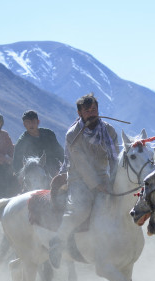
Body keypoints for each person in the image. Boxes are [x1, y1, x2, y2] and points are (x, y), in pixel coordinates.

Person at [49, 93, 118, 269]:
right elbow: (81, 165)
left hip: (103, 176)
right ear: (80, 113)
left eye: (94, 109)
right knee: (79, 209)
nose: (92, 113)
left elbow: (115, 158)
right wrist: (97, 185)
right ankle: (57, 241)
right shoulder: (73, 135)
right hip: (78, 178)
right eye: (87, 111)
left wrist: (115, 180)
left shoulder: (108, 130)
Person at [13, 110, 65, 177]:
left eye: (33, 122)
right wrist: (21, 177)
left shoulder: (49, 134)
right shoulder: (22, 142)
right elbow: (17, 163)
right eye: (28, 122)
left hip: (53, 169)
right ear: (24, 124)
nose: (31, 125)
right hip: (33, 174)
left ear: (38, 122)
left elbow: (60, 153)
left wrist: (66, 168)